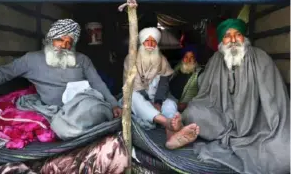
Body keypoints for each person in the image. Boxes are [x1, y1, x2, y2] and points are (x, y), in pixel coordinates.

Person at [168, 19, 290, 174]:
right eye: (227, 36)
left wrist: (271, 126)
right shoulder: (215, 60)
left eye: (237, 34)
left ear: (244, 38)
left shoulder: (261, 58)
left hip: (257, 127)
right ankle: (181, 130)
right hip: (222, 121)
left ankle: (190, 132)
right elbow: (205, 93)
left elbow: (273, 98)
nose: (233, 40)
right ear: (221, 41)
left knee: (284, 155)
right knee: (194, 112)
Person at [0, 19, 122, 138]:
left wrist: (114, 104)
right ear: (50, 39)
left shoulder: (82, 59)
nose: (64, 45)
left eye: (69, 42)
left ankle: (96, 123)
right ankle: (95, 130)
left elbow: (98, 84)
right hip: (58, 113)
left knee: (94, 108)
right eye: (59, 40)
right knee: (60, 127)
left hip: (85, 102)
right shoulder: (31, 59)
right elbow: (2, 72)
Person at [123, 27, 198, 147]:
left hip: (156, 98)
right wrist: (148, 102)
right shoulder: (130, 59)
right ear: (142, 43)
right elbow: (134, 84)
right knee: (133, 97)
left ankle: (171, 137)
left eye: (154, 42)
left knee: (170, 104)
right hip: (138, 97)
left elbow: (164, 82)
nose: (150, 45)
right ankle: (167, 122)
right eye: (147, 41)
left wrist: (158, 101)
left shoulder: (161, 59)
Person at [169, 46, 203, 112]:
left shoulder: (200, 73)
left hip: (183, 104)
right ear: (182, 59)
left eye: (191, 57)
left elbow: (203, 95)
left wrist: (187, 104)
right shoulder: (178, 66)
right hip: (169, 96)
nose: (188, 60)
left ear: (195, 59)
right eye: (186, 57)